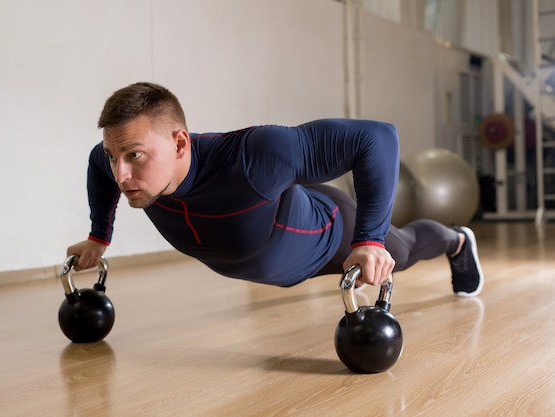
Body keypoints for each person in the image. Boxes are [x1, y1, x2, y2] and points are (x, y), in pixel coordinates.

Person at [67, 82, 483, 296]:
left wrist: (371, 240)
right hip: (276, 263)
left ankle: (457, 243)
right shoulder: (119, 165)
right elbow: (96, 165)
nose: (120, 174)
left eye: (135, 156)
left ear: (179, 143)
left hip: (330, 234)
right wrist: (98, 238)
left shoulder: (253, 156)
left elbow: (376, 138)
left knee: (403, 250)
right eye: (112, 155)